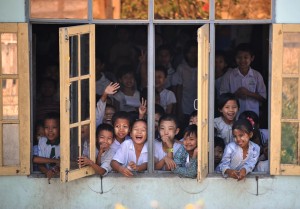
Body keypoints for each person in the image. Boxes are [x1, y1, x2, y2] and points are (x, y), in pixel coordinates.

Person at [219, 43, 266, 117]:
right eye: (239, 57)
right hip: (233, 116)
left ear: (252, 58)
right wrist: (235, 95)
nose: (242, 60)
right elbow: (222, 97)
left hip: (253, 115)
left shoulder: (257, 75)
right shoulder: (229, 75)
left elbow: (263, 98)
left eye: (246, 57)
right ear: (235, 58)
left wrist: (248, 93)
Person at [172, 40, 198, 123]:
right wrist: (179, 109)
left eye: (196, 52)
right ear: (186, 54)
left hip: (200, 106)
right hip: (185, 106)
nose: (193, 55)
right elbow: (179, 89)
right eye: (191, 52)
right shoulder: (182, 68)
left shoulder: (204, 67)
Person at [32, 112, 60, 182]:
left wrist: (56, 169)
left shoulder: (65, 142)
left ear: (60, 128)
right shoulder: (42, 141)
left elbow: (68, 163)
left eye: (54, 127)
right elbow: (36, 160)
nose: (50, 130)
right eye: (46, 127)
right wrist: (47, 171)